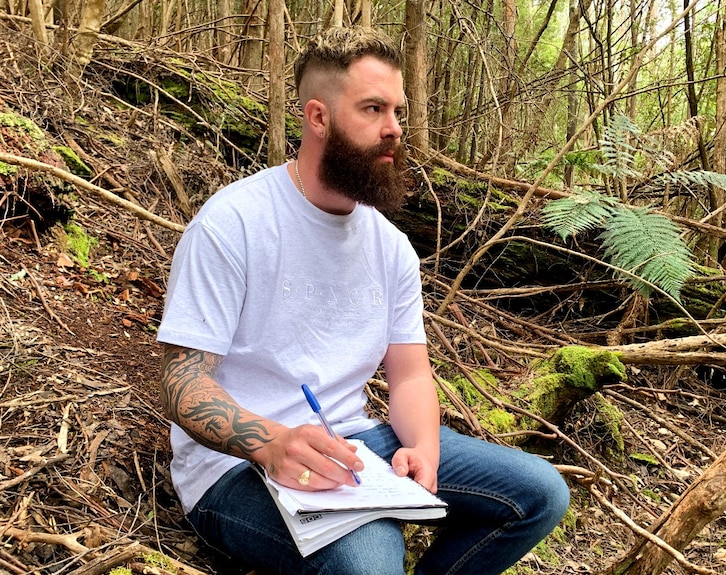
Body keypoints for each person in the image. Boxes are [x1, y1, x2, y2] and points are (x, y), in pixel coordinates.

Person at [157, 26, 570, 575]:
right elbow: (181, 381)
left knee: (540, 493)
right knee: (371, 558)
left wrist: (423, 447)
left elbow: (410, 377)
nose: (394, 129)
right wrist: (273, 443)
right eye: (373, 109)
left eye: (397, 111)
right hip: (234, 469)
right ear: (318, 117)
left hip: (355, 444)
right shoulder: (235, 223)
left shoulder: (390, 248)